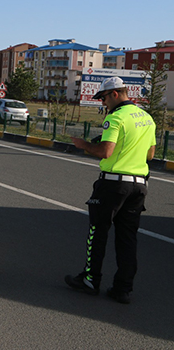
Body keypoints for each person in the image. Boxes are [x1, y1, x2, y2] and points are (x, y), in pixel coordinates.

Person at [66, 77, 156, 304]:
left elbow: (105, 151)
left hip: (114, 184)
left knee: (98, 232)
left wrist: (84, 145)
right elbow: (150, 155)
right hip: (139, 185)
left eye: (104, 98)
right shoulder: (147, 117)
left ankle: (90, 279)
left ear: (115, 94)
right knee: (127, 238)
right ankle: (123, 288)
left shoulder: (115, 118)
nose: (103, 103)